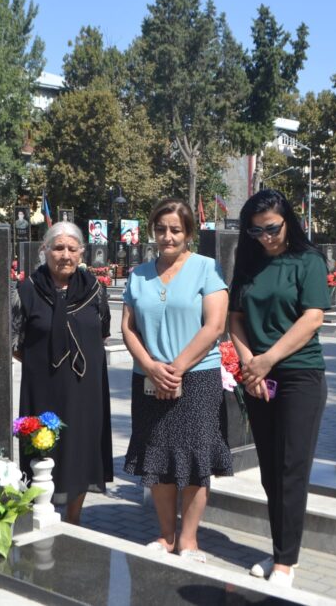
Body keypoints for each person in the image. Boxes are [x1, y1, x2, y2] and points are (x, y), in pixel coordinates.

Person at [227, 189, 330, 588]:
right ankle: (279, 550)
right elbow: (236, 319)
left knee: (291, 468)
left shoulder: (308, 260)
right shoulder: (249, 262)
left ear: (288, 220)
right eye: (256, 231)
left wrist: (267, 359)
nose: (265, 237)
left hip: (299, 375)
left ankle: (286, 563)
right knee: (270, 470)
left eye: (271, 228)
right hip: (258, 375)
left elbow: (312, 318)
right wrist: (249, 363)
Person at [122, 198, 231, 563]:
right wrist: (151, 366)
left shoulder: (205, 268)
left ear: (188, 233)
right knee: (158, 456)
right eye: (161, 229)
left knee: (196, 457)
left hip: (197, 378)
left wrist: (177, 367)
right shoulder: (138, 274)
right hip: (149, 379)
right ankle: (166, 535)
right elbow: (128, 327)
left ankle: (189, 539)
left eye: (175, 230)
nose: (167, 237)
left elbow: (214, 325)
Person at [12, 221, 113, 524]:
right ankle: (40, 511)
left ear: (81, 252)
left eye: (71, 248)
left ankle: (73, 517)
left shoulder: (95, 290)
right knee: (42, 445)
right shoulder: (27, 290)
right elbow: (16, 343)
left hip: (85, 388)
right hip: (43, 386)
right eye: (58, 248)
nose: (65, 255)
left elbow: (102, 332)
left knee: (81, 446)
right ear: (45, 250)